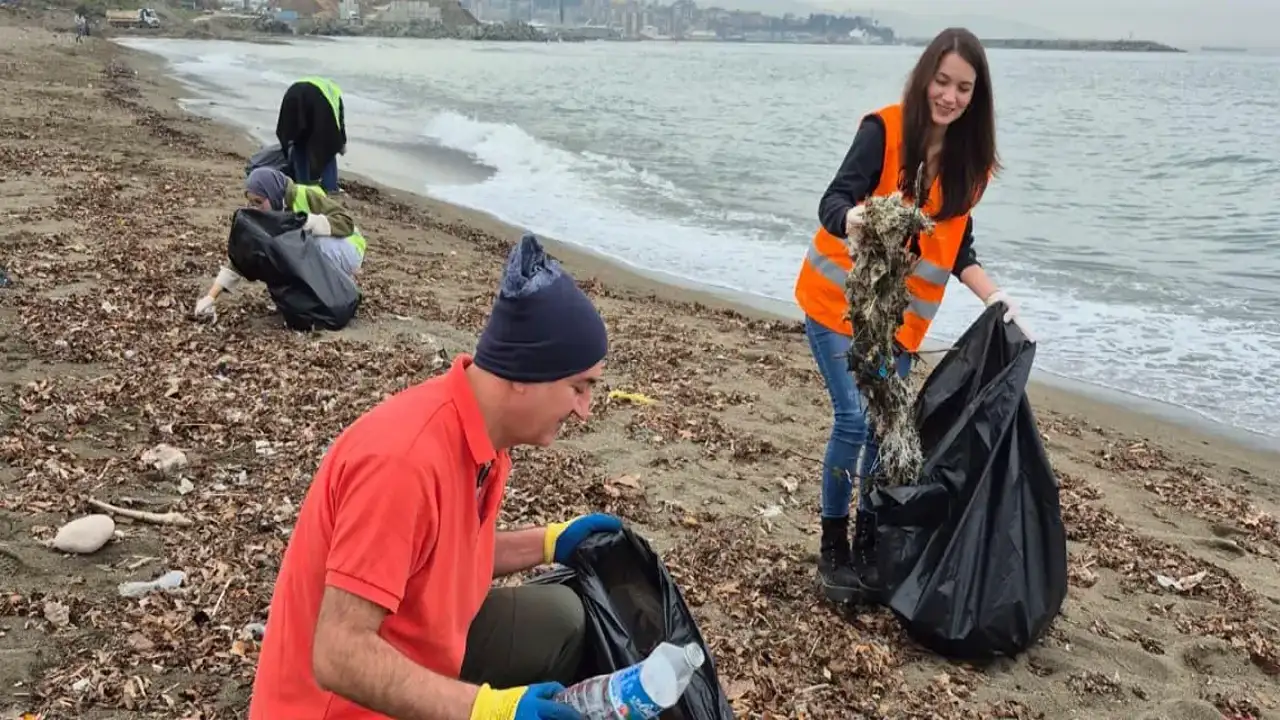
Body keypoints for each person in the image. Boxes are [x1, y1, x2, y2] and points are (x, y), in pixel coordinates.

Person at [247, 232, 622, 720]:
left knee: (560, 618)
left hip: (421, 647)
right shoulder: (403, 463)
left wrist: (550, 541)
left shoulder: (485, 439)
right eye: (578, 387)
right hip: (334, 705)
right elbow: (338, 653)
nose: (585, 410)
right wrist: (489, 710)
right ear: (524, 374)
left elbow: (443, 562)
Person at [793, 27, 1033, 605]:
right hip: (837, 305)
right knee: (854, 420)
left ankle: (870, 541)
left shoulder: (970, 166)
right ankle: (833, 548)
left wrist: (997, 299)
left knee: (888, 431)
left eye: (963, 88)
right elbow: (832, 201)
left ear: (977, 97)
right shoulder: (885, 131)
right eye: (942, 82)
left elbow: (958, 248)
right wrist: (854, 219)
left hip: (899, 329)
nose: (949, 96)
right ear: (925, 78)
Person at [192, 167, 367, 318]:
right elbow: (241, 259)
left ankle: (341, 288)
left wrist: (308, 222)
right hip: (316, 252)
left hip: (346, 246)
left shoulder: (304, 195)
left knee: (313, 246)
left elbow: (346, 222)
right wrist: (211, 297)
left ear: (272, 193)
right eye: (251, 202)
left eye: (259, 202)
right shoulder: (267, 216)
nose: (255, 208)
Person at [276, 76, 346, 194]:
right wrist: (342, 143)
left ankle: (303, 184)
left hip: (292, 94)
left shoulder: (324, 86)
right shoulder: (335, 94)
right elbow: (339, 122)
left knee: (299, 141)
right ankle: (330, 187)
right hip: (316, 98)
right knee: (328, 146)